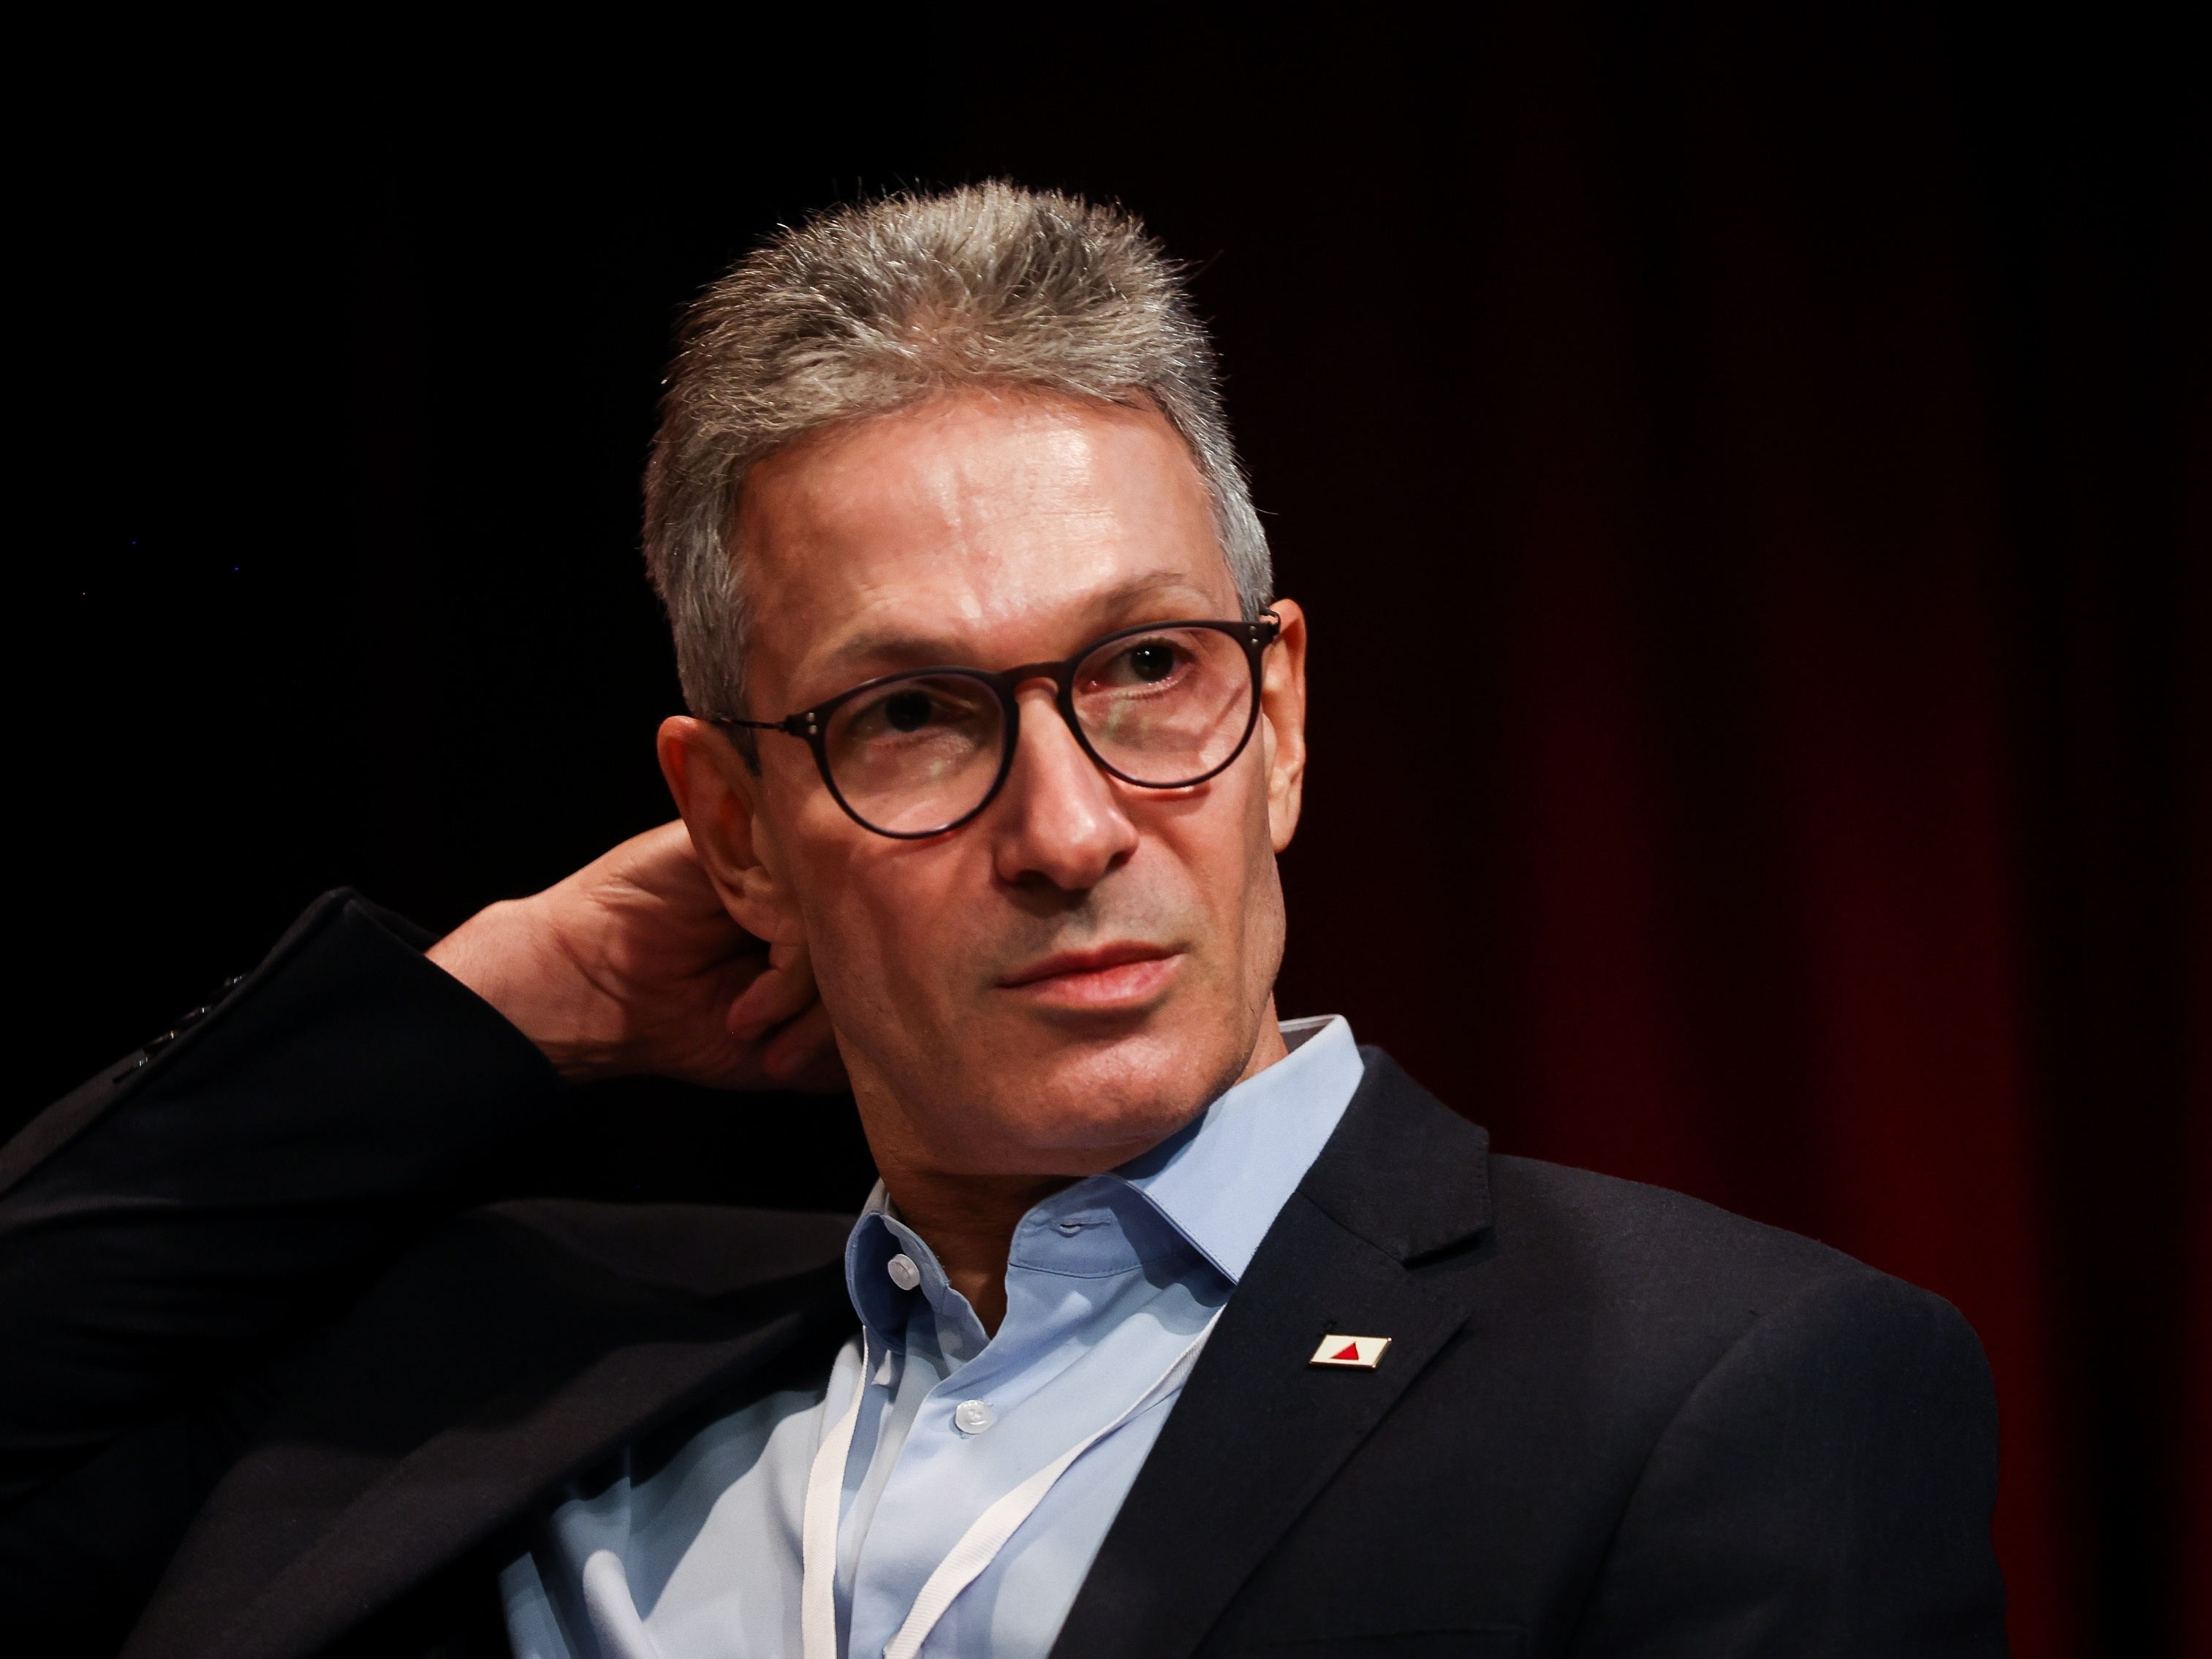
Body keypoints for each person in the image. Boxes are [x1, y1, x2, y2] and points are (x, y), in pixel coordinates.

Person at [0, 185, 2007, 1659]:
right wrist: (506, 1011)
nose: (1067, 829)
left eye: (1145, 668)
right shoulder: (503, 1374)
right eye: (908, 716)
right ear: (734, 827)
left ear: (1282, 717)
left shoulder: (1711, 1384)